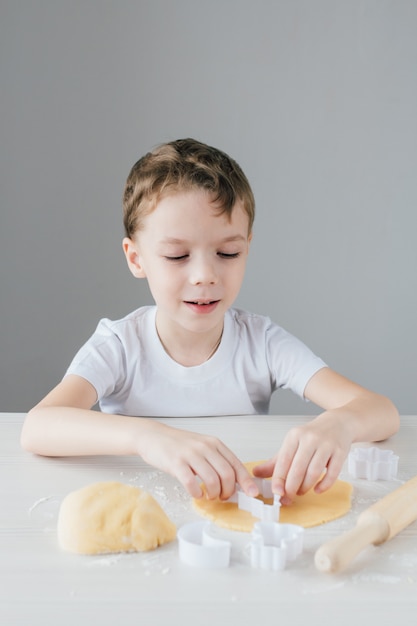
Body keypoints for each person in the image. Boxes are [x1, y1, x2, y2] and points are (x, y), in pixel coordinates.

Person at [21, 138, 399, 505]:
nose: (205, 275)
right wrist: (149, 438)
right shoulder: (119, 345)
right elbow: (38, 427)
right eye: (177, 256)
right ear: (136, 258)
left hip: (232, 512)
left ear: (247, 247)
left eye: (227, 252)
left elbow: (381, 411)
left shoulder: (261, 342)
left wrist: (340, 425)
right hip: (142, 508)